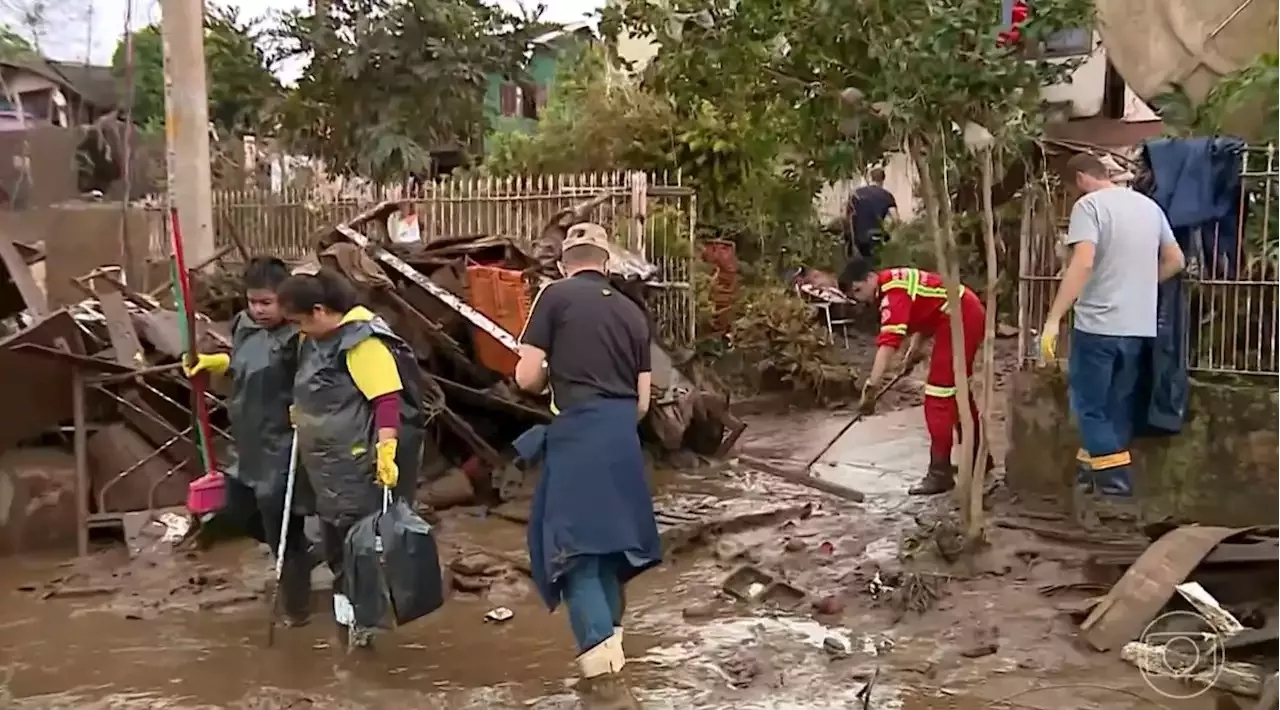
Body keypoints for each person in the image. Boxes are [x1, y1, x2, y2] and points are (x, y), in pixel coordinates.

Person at [514, 223, 659, 708]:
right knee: (613, 555)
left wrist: (554, 371)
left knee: (573, 555)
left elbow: (526, 376)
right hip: (622, 437)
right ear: (607, 261)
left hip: (578, 434)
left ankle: (605, 688)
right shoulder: (634, 313)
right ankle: (612, 661)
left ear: (563, 262)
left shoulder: (553, 297)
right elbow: (643, 403)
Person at [275, 268, 427, 649]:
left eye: (299, 321)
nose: (298, 330)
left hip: (358, 463)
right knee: (335, 549)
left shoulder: (362, 343)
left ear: (321, 310)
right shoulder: (315, 341)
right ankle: (348, 627)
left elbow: (386, 399)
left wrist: (387, 449)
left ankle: (365, 630)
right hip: (326, 463)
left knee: (357, 550)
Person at [1039, 153, 1184, 508]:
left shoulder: (1089, 207)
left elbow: (1083, 262)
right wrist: (1141, 285)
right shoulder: (1149, 208)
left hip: (1098, 326)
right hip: (1137, 327)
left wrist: (1054, 318)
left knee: (1089, 406)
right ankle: (1090, 482)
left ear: (1081, 180)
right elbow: (1176, 260)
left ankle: (1117, 491)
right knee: (1115, 408)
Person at [184, 256, 314, 626]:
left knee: (284, 532)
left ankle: (297, 613)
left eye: (266, 303)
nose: (257, 310)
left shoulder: (298, 337)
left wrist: (304, 408)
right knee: (235, 511)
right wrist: (217, 364)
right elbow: (245, 366)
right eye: (252, 301)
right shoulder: (244, 326)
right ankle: (306, 555)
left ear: (284, 300)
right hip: (248, 442)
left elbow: (319, 379)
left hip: (283, 445)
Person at [838, 258, 991, 495]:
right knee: (956, 389)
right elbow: (925, 316)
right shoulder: (892, 284)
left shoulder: (892, 293)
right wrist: (912, 355)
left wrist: (871, 388)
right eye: (855, 295)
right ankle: (978, 455)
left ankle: (939, 473)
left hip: (961, 318)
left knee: (939, 395)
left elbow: (889, 343)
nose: (861, 298)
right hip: (958, 314)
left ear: (870, 277)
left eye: (859, 290)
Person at [846, 168, 898, 260]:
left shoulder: (855, 193)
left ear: (870, 178)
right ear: (883, 179)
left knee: (859, 266)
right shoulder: (887, 196)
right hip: (877, 236)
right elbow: (895, 219)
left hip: (858, 238)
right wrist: (887, 233)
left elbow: (847, 216)